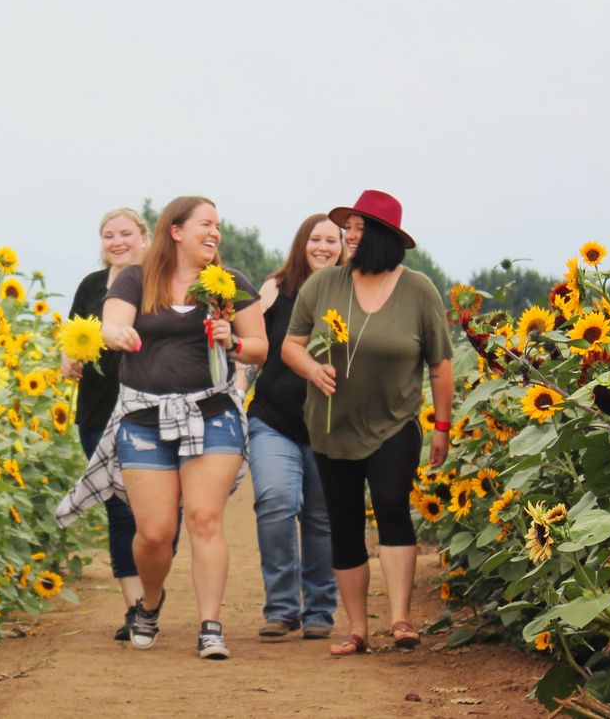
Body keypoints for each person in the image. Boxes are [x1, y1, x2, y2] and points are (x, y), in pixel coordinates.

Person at [58, 195, 266, 660]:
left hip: (212, 413)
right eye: (205, 225)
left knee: (204, 519)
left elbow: (259, 348)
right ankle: (149, 604)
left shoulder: (230, 285)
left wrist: (233, 341)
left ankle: (211, 625)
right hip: (143, 418)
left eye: (218, 226)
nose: (214, 233)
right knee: (153, 533)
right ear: (176, 231)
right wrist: (117, 335)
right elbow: (113, 323)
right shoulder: (137, 278)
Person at [281, 190, 453, 656]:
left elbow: (439, 364)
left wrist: (442, 426)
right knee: (344, 522)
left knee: (393, 506)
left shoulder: (418, 289)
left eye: (358, 229)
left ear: (383, 237)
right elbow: (291, 345)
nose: (348, 237)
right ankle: (356, 629)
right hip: (331, 425)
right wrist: (312, 369)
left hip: (394, 421)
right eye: (347, 229)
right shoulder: (322, 286)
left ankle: (400, 620)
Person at [236, 213, 342, 642]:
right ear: (302, 244)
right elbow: (255, 348)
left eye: (331, 240)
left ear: (343, 246)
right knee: (276, 500)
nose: (322, 247)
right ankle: (281, 608)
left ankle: (319, 610)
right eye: (314, 239)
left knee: (321, 517)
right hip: (274, 419)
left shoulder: (354, 292)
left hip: (332, 426)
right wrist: (236, 389)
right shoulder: (276, 289)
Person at [62, 207, 150, 640]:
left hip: (150, 410)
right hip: (97, 410)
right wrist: (68, 360)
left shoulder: (157, 283)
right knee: (119, 508)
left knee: (154, 515)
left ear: (144, 237)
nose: (117, 241)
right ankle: (135, 607)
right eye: (109, 235)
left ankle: (150, 596)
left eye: (125, 233)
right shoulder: (92, 286)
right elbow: (71, 337)